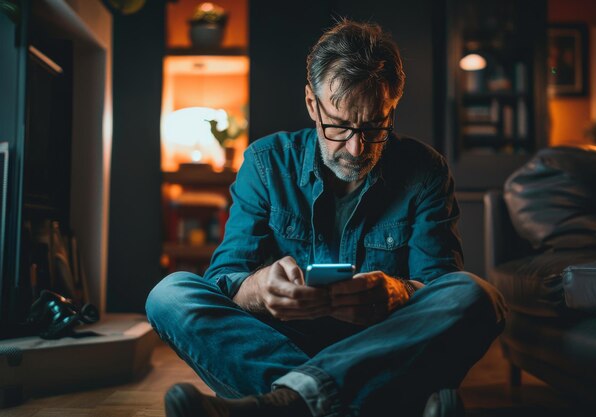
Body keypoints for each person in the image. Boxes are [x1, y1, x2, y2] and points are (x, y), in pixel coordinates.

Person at [146, 19, 507, 417]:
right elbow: (224, 277)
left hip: (383, 341)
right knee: (169, 295)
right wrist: (258, 289)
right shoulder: (267, 163)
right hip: (284, 344)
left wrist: (398, 293)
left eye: (375, 126)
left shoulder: (425, 170)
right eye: (340, 126)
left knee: (478, 296)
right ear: (311, 104)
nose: (356, 148)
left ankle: (283, 406)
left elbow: (442, 286)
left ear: (392, 107)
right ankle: (374, 401)